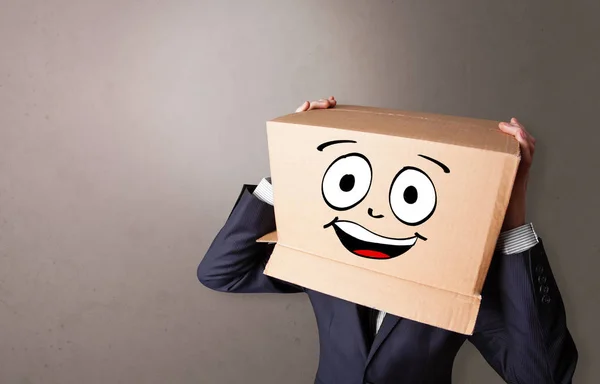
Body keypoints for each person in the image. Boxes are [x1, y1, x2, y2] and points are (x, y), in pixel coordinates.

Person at [197, 96, 578, 384]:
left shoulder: (461, 280)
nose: (378, 213)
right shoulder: (325, 255)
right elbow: (221, 273)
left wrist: (513, 210)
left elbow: (541, 376)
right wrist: (294, 162)